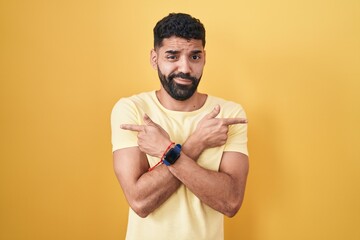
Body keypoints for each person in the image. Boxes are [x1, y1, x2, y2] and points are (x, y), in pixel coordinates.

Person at [111, 13, 249, 240]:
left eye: (194, 57)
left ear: (204, 57)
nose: (184, 68)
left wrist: (165, 150)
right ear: (154, 58)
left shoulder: (229, 114)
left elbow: (230, 201)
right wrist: (197, 142)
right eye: (172, 56)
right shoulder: (132, 110)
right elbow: (140, 201)